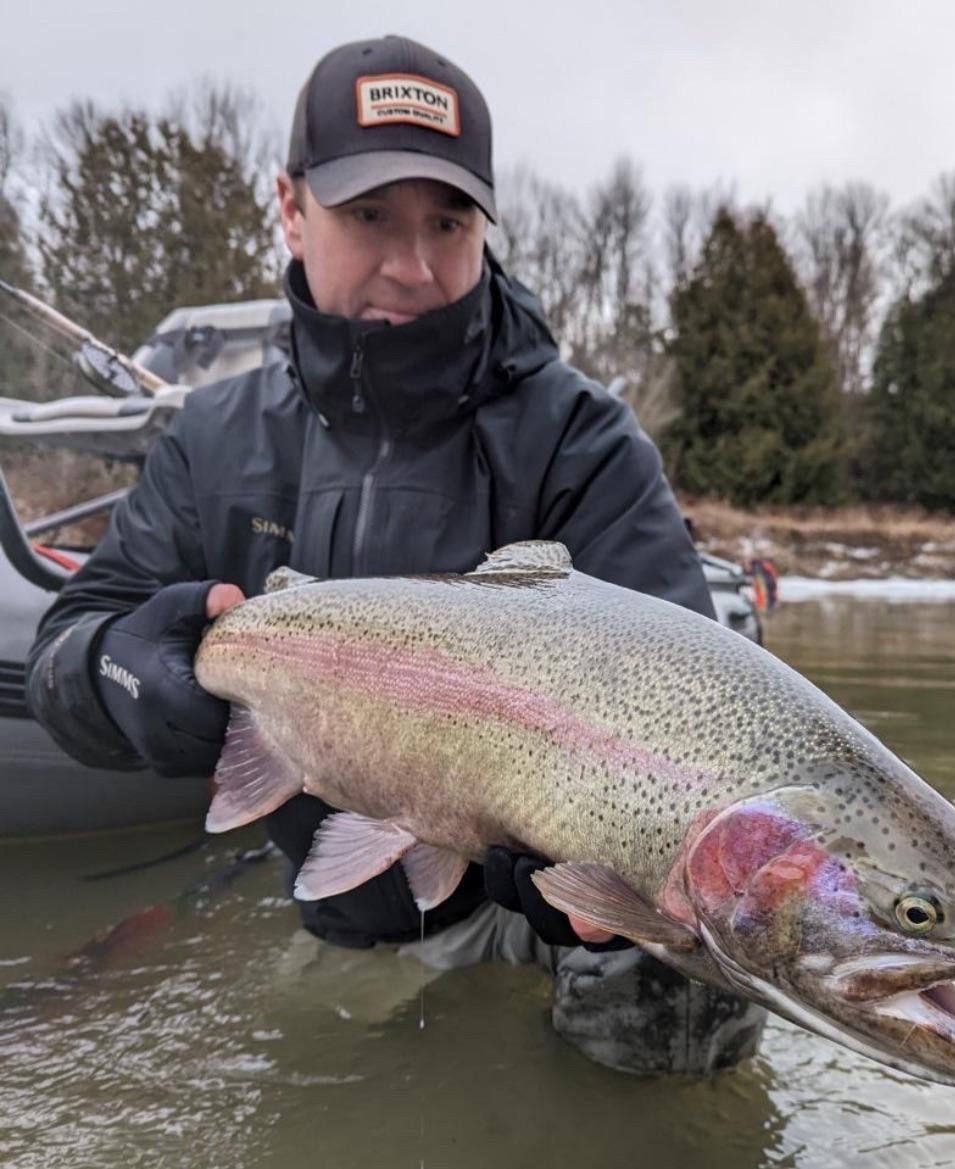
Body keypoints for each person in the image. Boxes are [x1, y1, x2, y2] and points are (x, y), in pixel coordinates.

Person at [26, 35, 765, 1074]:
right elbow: (69, 647)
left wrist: (596, 857)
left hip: (545, 918)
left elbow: (689, 695)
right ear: (290, 209)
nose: (413, 267)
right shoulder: (211, 441)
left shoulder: (581, 441)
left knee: (699, 963)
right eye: (370, 215)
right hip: (347, 913)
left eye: (448, 223)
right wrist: (116, 670)